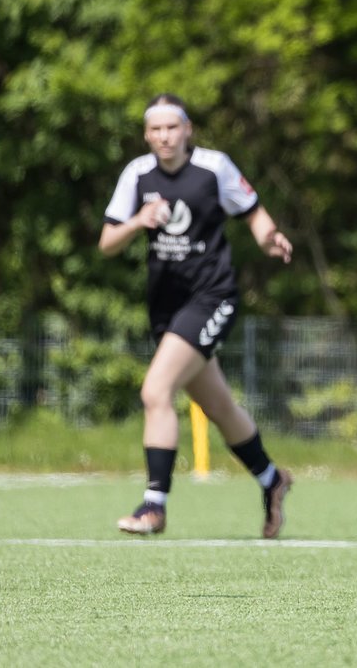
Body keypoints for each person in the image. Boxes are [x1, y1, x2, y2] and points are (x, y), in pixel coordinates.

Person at [100, 93, 294, 538]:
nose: (164, 136)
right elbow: (107, 242)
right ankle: (272, 479)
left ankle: (154, 505)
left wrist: (269, 239)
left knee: (156, 390)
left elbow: (253, 213)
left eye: (172, 127)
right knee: (219, 406)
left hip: (213, 297)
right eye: (156, 129)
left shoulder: (213, 167)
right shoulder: (138, 174)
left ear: (187, 129)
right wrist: (137, 222)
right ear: (147, 134)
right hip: (166, 307)